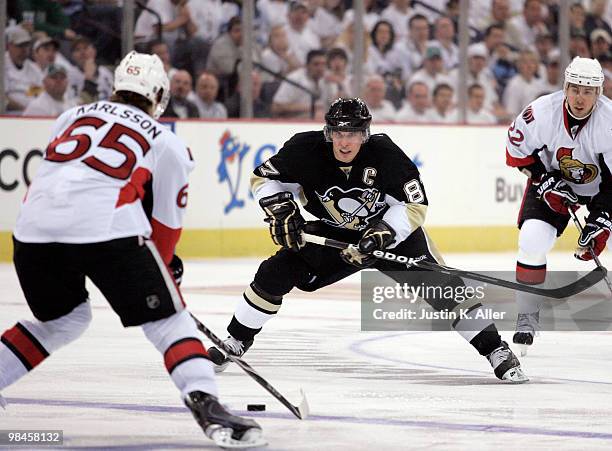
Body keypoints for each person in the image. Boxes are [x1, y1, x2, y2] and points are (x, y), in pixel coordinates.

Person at [0, 51, 264, 448]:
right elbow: (167, 223)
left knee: (64, 321)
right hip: (107, 229)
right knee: (169, 322)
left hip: (32, 231)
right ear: (158, 94)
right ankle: (208, 404)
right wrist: (165, 265)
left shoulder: (70, 116)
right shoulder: (166, 141)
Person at [207, 97, 528, 383]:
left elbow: (414, 205)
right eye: (339, 133)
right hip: (334, 233)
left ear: (365, 135)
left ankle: (496, 350)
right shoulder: (304, 150)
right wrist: (282, 211)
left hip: (389, 234)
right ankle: (236, 340)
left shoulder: (386, 154)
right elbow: (264, 178)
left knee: (443, 288)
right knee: (276, 272)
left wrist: (384, 232)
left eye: (353, 134)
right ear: (328, 132)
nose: (345, 142)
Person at [505, 56, 612, 354]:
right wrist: (543, 179)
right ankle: (527, 314)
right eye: (575, 89)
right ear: (564, 87)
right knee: (531, 240)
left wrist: (603, 218)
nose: (580, 98)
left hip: (601, 190)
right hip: (554, 181)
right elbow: (516, 155)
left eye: (588, 91)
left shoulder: (610, 123)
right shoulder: (540, 113)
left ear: (598, 94)